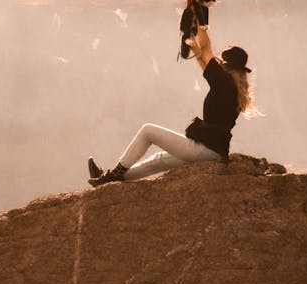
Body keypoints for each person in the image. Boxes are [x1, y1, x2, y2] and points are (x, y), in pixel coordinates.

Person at [87, 21, 257, 186]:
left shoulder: (223, 82)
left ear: (227, 65)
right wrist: (194, 46)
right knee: (159, 159)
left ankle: (115, 173)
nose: (219, 62)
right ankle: (111, 180)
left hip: (204, 151)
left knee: (148, 131)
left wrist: (202, 24)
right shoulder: (233, 87)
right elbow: (203, 59)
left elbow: (207, 51)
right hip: (215, 152)